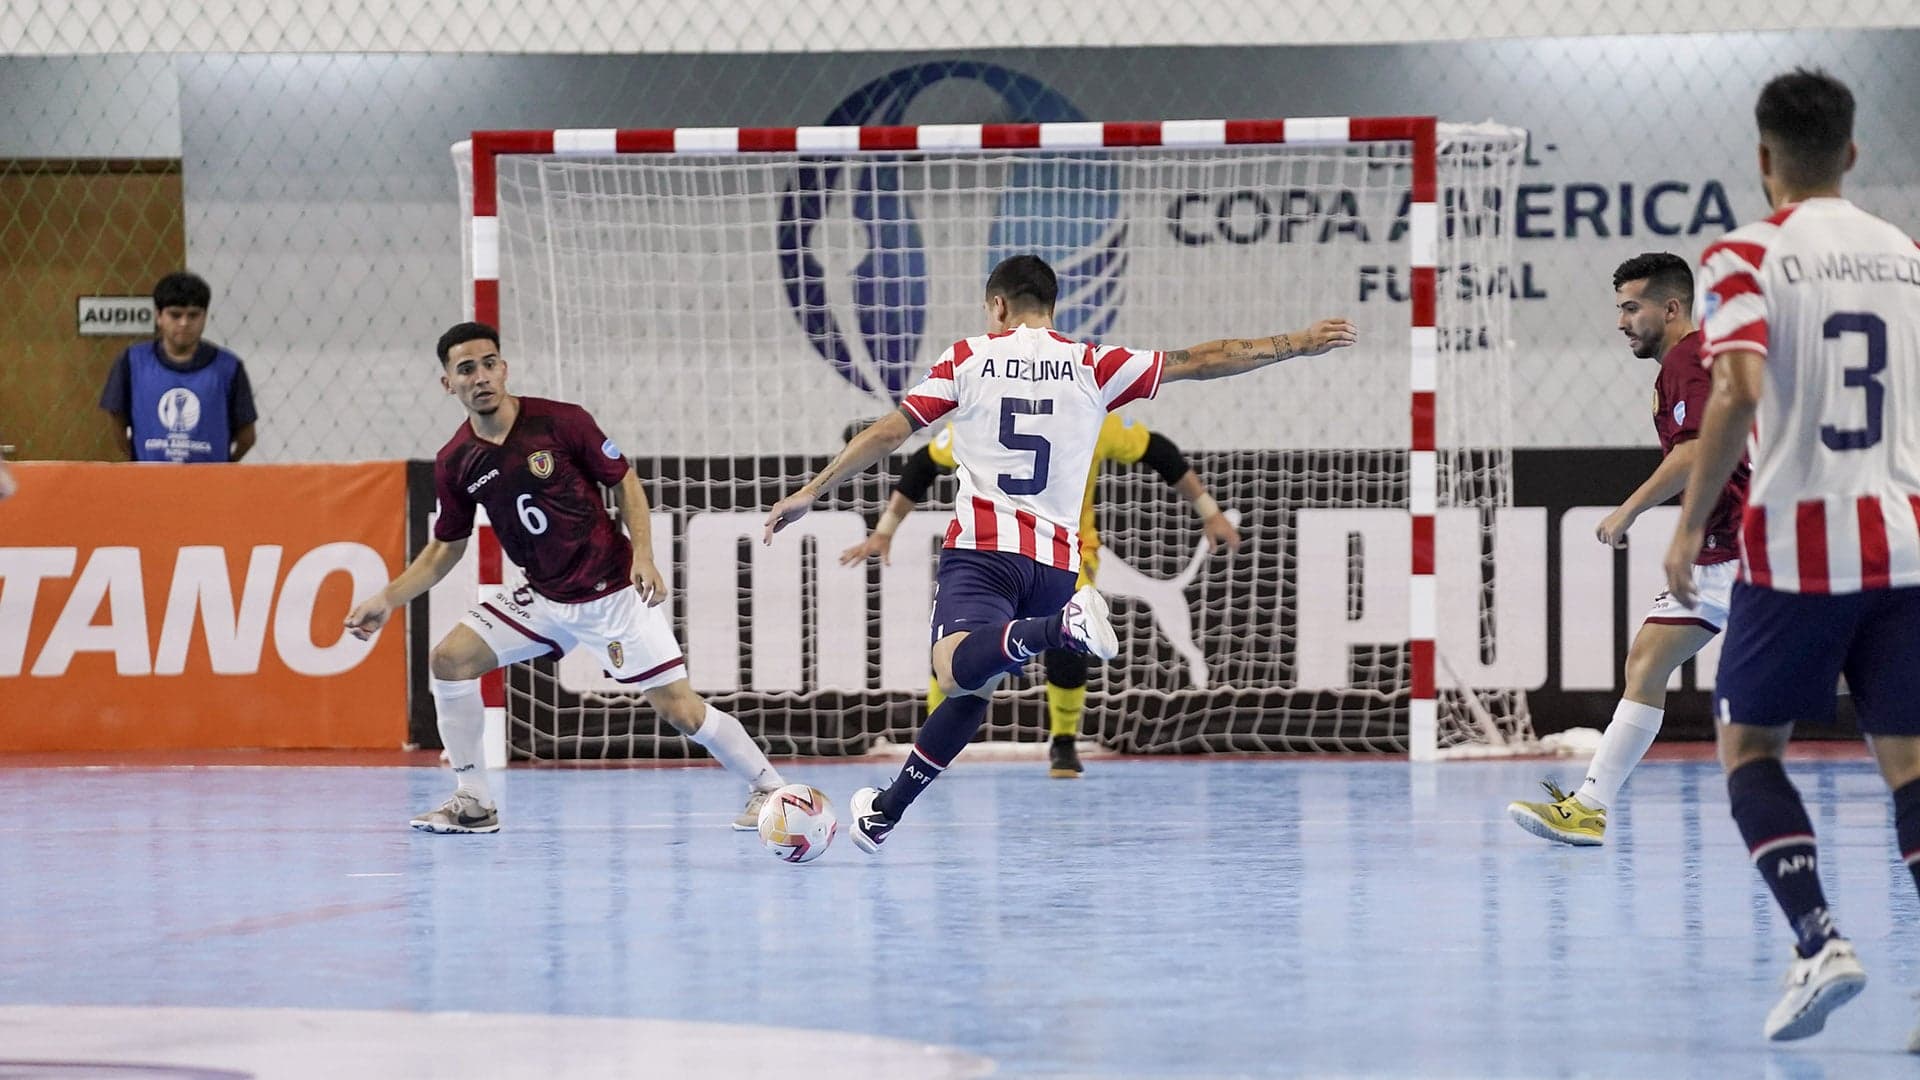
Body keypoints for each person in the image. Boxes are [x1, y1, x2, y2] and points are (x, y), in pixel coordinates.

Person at [764, 253, 1355, 853]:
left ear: (997, 306)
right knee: (973, 694)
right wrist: (1296, 342)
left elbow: (895, 433)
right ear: (1052, 305)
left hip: (986, 550)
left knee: (951, 670)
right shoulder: (1092, 364)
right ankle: (885, 812)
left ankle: (1056, 630)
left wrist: (813, 490)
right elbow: (1201, 360)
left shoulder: (968, 358)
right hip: (1056, 564)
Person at [1661, 69, 1920, 1044]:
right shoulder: (1907, 254)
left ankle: (1818, 939)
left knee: (1749, 750)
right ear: (1852, 153)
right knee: (1910, 763)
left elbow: (1733, 388)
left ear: (1764, 159)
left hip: (1795, 548)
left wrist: (1690, 527)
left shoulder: (1743, 254)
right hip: (1903, 541)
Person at [346, 322, 788, 834]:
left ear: (504, 368)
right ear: (449, 383)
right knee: (448, 661)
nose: (481, 376)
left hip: (613, 593)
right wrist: (388, 598)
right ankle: (473, 802)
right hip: (544, 598)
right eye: (466, 369)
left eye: (489, 363)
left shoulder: (561, 422)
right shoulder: (455, 461)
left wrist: (642, 554)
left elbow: (625, 482)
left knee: (682, 713)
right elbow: (447, 547)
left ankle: (770, 788)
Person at [840, 413, 1240, 777]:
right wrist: (885, 529)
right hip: (998, 551)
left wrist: (1209, 511)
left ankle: (1063, 741)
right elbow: (925, 463)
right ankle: (935, 737)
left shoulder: (1088, 418)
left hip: (1061, 554)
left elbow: (1158, 451)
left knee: (1066, 641)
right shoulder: (1002, 414)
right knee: (961, 645)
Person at [1508, 253, 1750, 844]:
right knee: (1646, 660)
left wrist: (1629, 509)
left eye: (1631, 307)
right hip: (1717, 553)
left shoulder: (1690, 360)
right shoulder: (1684, 366)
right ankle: (1589, 807)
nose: (1621, 321)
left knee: (1845, 666)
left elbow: (1694, 453)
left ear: (1671, 308)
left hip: (1750, 551)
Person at [98, 271, 258, 463]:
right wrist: (139, 463)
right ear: (158, 316)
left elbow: (247, 436)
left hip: (209, 486)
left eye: (193, 315)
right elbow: (117, 421)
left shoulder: (229, 368)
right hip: (150, 482)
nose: (184, 323)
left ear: (205, 316)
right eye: (175, 315)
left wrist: (224, 468)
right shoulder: (132, 361)